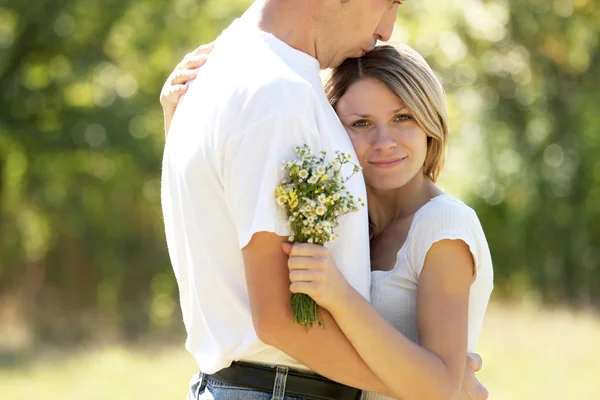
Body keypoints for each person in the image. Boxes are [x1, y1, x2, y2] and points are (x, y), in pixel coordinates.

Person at [160, 1, 489, 399]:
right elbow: (280, 319)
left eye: (403, 117)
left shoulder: (225, 74)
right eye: (388, 4)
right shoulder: (277, 94)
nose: (387, 30)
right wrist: (434, 388)